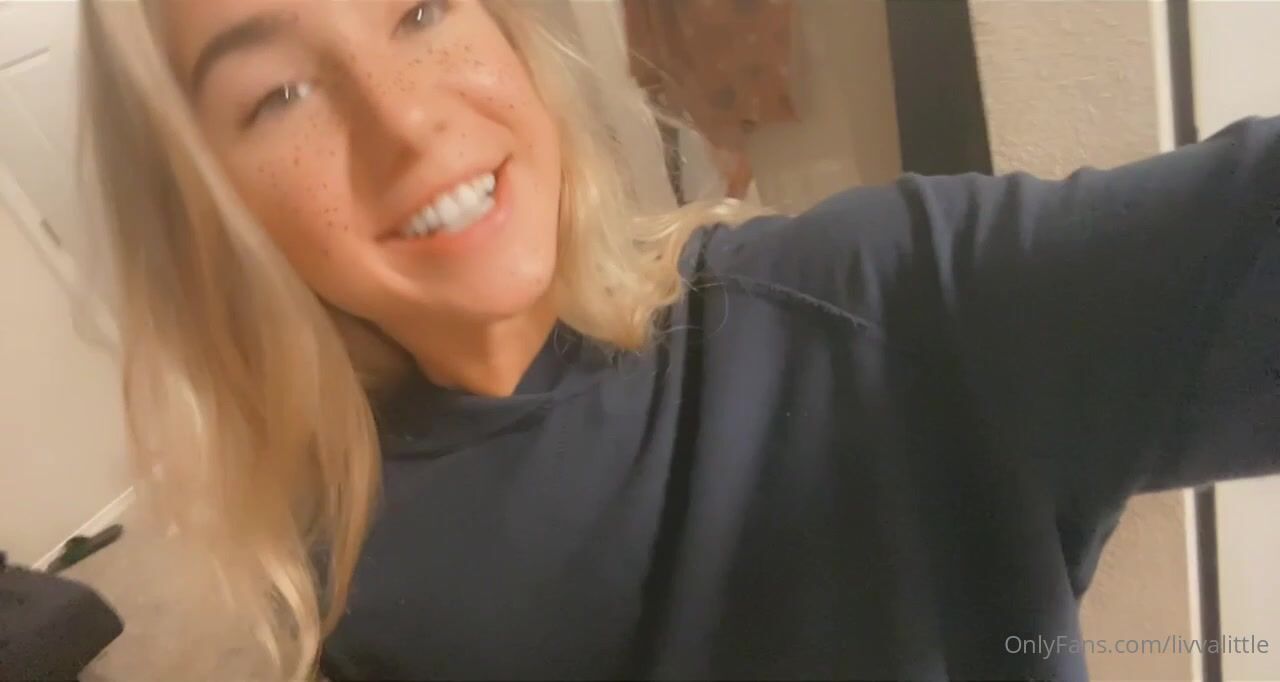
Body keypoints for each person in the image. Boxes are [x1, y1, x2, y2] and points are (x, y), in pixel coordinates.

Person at [78, 1, 1280, 680]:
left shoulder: (884, 307)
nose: (405, 124)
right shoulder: (319, 540)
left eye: (421, 8)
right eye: (278, 94)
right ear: (207, 213)